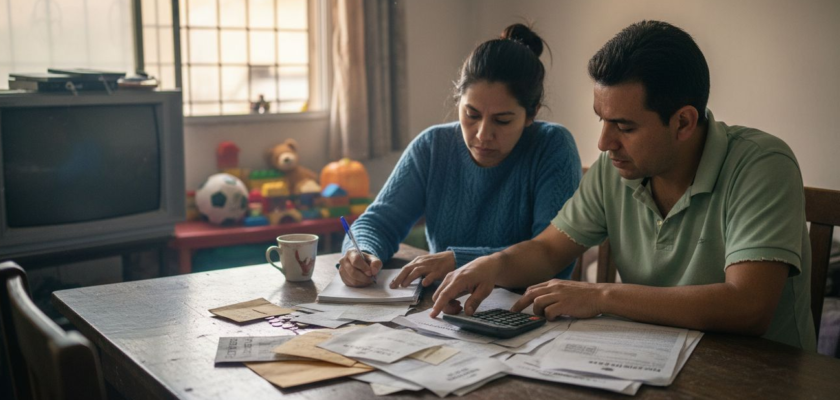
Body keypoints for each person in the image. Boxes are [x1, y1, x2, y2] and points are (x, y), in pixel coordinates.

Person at [431, 20, 816, 351]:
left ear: (682, 122)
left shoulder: (762, 164)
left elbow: (748, 306)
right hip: (652, 359)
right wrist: (487, 264)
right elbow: (548, 250)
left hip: (763, 374)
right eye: (601, 119)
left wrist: (600, 295)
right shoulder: (614, 168)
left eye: (625, 126)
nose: (603, 143)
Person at [338, 23, 582, 289]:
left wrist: (458, 260)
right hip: (443, 309)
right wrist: (359, 253)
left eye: (502, 120)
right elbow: (378, 222)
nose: (482, 135)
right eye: (472, 115)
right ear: (458, 102)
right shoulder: (432, 146)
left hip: (526, 312)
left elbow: (550, 256)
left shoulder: (552, 146)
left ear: (531, 114)